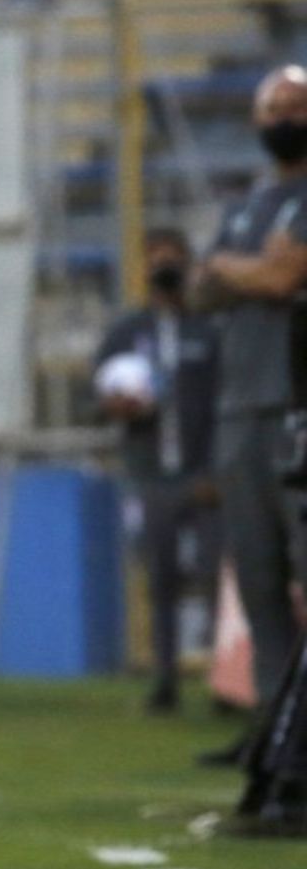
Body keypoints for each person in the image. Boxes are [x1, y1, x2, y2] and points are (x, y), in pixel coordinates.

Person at [192, 63, 307, 764]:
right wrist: (247, 271)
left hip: (298, 406)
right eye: (272, 108)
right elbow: (205, 286)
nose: (282, 118)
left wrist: (241, 272)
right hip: (241, 410)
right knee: (259, 576)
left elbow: (281, 277)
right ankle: (274, 731)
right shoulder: (246, 208)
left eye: (294, 105)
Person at [90, 229, 221, 715]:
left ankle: (224, 683)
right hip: (150, 475)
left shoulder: (208, 331)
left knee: (214, 578)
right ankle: (165, 682)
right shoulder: (126, 333)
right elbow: (98, 396)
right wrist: (116, 404)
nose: (165, 271)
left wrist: (217, 468)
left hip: (203, 476)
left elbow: (225, 402)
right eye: (156, 262)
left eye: (173, 262)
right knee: (160, 578)